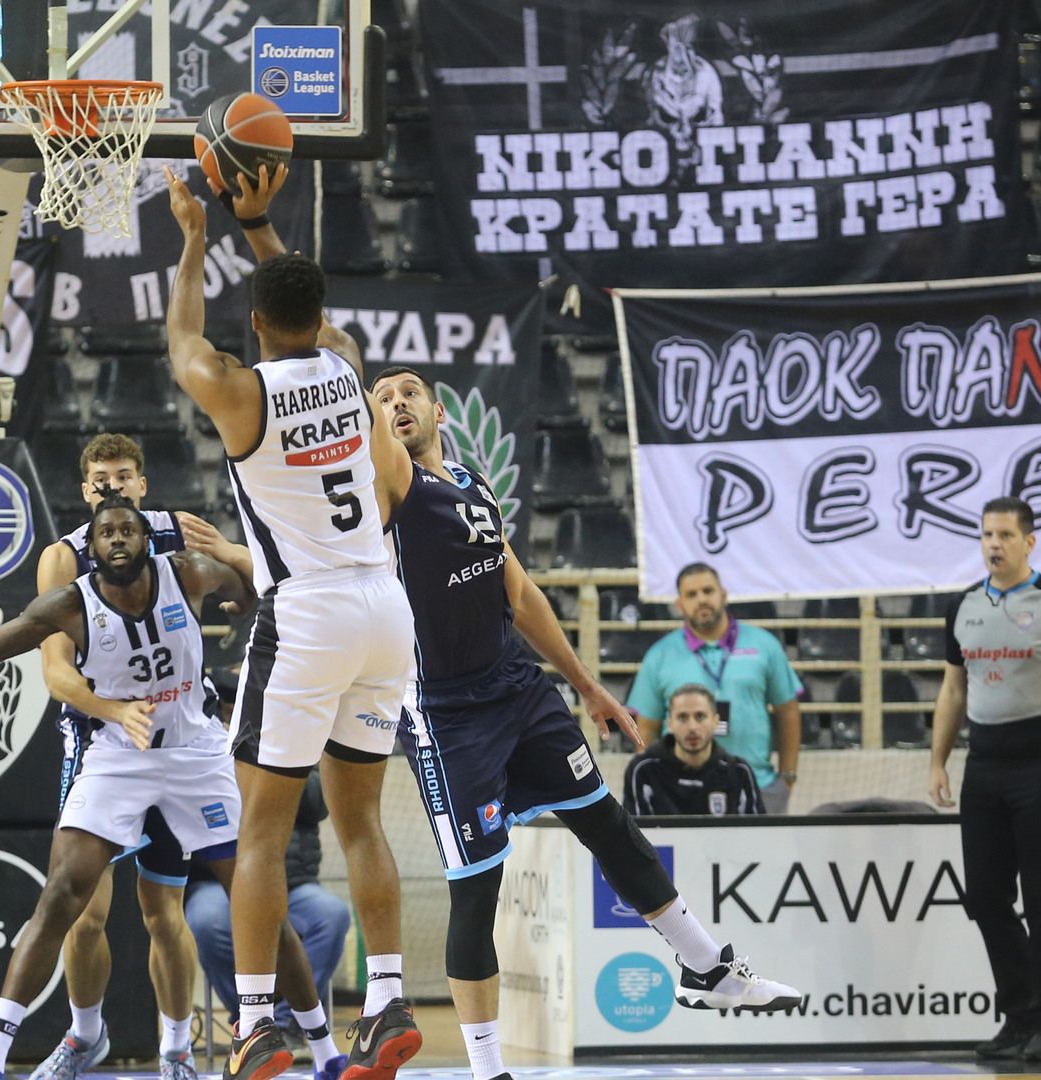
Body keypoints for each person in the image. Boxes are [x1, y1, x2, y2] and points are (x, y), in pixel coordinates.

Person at [188, 365, 802, 1080]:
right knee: (478, 889)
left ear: (440, 411)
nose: (395, 403)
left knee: (607, 823)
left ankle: (705, 967)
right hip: (443, 713)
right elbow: (307, 558)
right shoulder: (382, 487)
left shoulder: (472, 484)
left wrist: (587, 686)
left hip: (517, 687)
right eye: (382, 398)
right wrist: (239, 555)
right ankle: (488, 1070)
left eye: (408, 392)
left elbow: (521, 592)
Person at [0, 496, 335, 1080]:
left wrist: (241, 595)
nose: (117, 539)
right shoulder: (70, 604)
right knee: (63, 892)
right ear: (90, 549)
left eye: (128, 530)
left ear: (146, 541)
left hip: (196, 754)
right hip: (118, 756)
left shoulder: (187, 572)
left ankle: (324, 1054)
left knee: (257, 898)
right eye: (106, 532)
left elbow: (254, 583)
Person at [162, 163, 420, 1080]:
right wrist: (258, 221)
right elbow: (303, 304)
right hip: (384, 606)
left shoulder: (242, 392)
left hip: (306, 611)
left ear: (257, 322)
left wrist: (197, 237)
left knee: (260, 832)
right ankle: (387, 1002)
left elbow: (182, 339)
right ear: (316, 314)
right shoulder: (349, 370)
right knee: (362, 823)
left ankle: (256, 1025)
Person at [29, 433, 250, 1080]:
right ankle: (84, 1036)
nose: (112, 487)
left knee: (163, 912)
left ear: (143, 485)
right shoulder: (63, 557)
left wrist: (238, 582)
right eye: (101, 479)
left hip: (176, 740)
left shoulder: (178, 533)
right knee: (85, 914)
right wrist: (112, 710)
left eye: (123, 476)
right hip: (100, 741)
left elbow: (252, 571)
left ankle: (176, 1050)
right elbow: (56, 671)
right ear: (84, 490)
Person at [930, 496, 1041, 1060]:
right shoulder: (963, 605)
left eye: (1005, 535)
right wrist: (937, 761)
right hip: (985, 764)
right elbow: (954, 689)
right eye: (986, 535)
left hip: (1036, 762)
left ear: (1029, 542)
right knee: (985, 898)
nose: (993, 544)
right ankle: (1021, 1018)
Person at [185, 774, 350, 1040]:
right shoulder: (208, 752)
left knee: (332, 915)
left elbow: (318, 802)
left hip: (292, 882)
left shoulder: (298, 748)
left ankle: (288, 1022)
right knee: (207, 920)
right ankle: (251, 1024)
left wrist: (277, 775)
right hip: (216, 881)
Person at [627, 564, 803, 813]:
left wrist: (787, 777)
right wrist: (655, 779)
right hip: (679, 792)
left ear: (724, 595)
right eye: (691, 594)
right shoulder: (659, 655)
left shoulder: (765, 645)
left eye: (708, 591)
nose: (701, 599)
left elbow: (788, 711)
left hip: (758, 785)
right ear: (679, 605)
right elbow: (646, 727)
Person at [623, 684, 765, 816]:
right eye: (682, 717)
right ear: (670, 723)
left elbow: (758, 832)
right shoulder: (643, 770)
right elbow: (633, 831)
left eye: (700, 717)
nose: (692, 727)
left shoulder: (739, 772)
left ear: (716, 722)